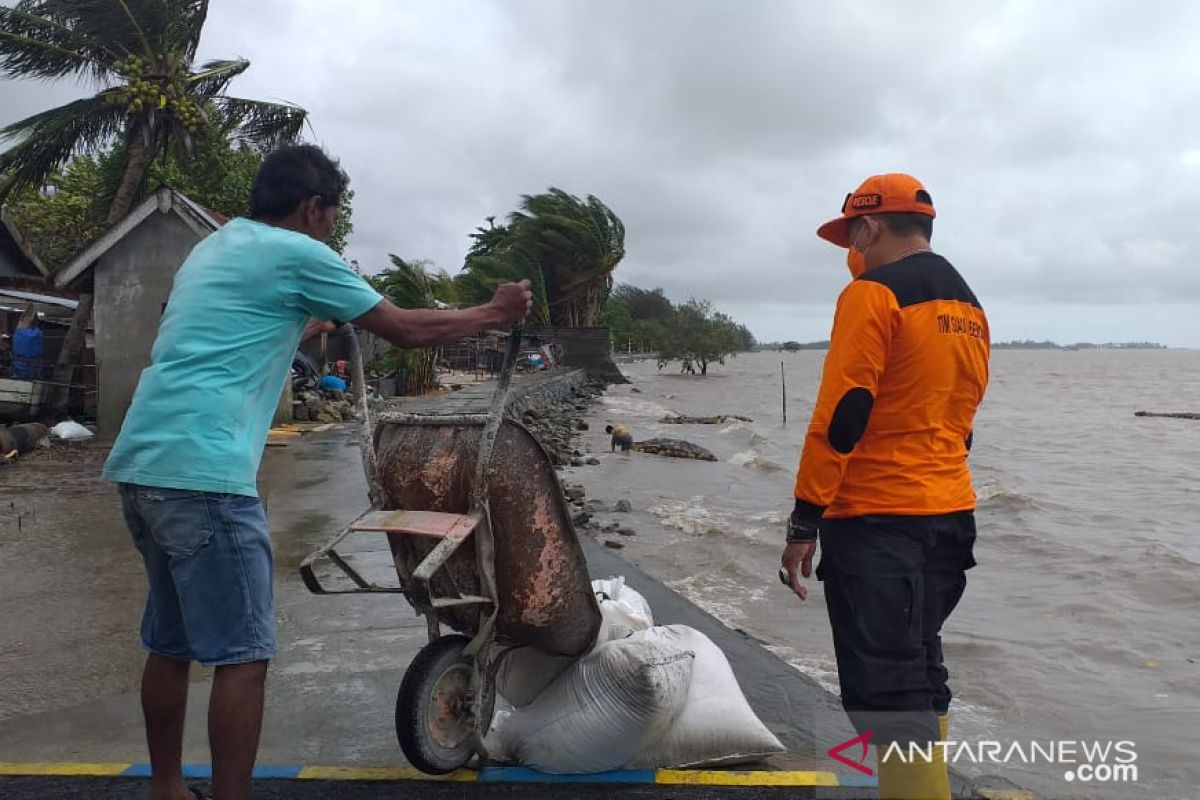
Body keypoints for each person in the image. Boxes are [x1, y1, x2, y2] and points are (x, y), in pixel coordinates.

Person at [102, 144, 532, 800]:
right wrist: (495, 313)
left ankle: (166, 789)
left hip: (142, 466)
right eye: (332, 216)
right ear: (313, 208)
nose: (331, 228)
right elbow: (404, 329)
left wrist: (306, 324)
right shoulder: (300, 253)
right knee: (243, 657)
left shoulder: (215, 249)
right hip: (206, 476)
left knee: (171, 642)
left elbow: (228, 335)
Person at [779, 174, 989, 800]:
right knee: (921, 668)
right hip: (950, 514)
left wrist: (803, 522)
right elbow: (963, 419)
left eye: (852, 236)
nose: (852, 252)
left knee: (889, 696)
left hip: (877, 518)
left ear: (869, 226)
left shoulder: (872, 294)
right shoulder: (969, 306)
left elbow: (844, 414)